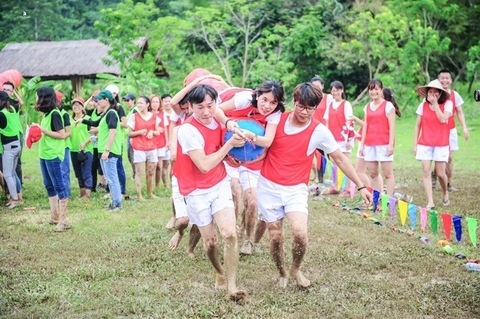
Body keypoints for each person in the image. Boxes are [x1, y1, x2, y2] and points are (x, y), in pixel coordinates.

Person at [254, 82, 371, 288]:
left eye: (310, 108)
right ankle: (282, 272)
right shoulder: (275, 119)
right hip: (268, 186)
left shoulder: (319, 131)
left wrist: (361, 186)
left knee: (300, 233)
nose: (305, 112)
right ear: (294, 101)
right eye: (301, 106)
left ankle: (295, 269)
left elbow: (340, 159)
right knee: (275, 236)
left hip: (295, 189)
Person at [176, 84, 247, 302]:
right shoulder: (187, 130)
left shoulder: (215, 115)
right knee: (211, 242)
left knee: (230, 233)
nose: (206, 112)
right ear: (189, 107)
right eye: (200, 108)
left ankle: (233, 286)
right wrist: (228, 147)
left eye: (210, 105)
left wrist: (229, 123)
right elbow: (204, 165)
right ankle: (218, 271)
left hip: (218, 184)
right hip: (195, 191)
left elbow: (221, 112)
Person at [215, 79, 286, 256]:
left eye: (273, 102)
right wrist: (228, 123)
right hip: (229, 153)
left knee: (253, 201)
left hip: (254, 160)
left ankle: (248, 239)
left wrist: (250, 135)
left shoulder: (275, 114)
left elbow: (267, 141)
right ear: (258, 95)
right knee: (233, 193)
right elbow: (217, 109)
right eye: (264, 100)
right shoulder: (245, 98)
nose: (267, 106)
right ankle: (231, 232)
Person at [32, 86, 70, 232]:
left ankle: (63, 219)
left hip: (53, 155)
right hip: (44, 154)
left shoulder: (55, 114)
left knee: (59, 185)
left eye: (37, 97)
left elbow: (61, 135)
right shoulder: (46, 115)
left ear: (43, 98)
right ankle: (54, 216)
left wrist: (42, 130)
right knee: (49, 185)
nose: (36, 99)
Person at [81, 90, 123, 211]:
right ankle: (114, 201)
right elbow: (95, 123)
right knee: (109, 179)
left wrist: (107, 150)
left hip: (109, 151)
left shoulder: (111, 113)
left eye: (99, 99)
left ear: (107, 100)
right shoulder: (105, 114)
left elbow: (113, 132)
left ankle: (117, 204)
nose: (97, 101)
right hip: (103, 151)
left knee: (112, 178)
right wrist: (82, 120)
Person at [413, 79, 452, 209]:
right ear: (427, 93)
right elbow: (417, 125)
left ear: (440, 93)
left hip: (441, 143)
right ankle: (430, 201)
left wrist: (435, 105)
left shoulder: (448, 104)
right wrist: (415, 144)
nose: (433, 94)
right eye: (430, 92)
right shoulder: (422, 106)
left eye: (436, 92)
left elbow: (442, 119)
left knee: (441, 173)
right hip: (425, 143)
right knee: (426, 171)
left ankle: (445, 192)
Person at [359, 79, 401, 196]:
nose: (373, 92)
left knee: (388, 174)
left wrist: (390, 144)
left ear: (381, 90)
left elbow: (392, 126)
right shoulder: (367, 107)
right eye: (371, 89)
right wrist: (362, 145)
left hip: (384, 143)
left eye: (376, 89)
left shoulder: (388, 106)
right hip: (369, 144)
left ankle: (389, 199)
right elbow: (365, 126)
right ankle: (376, 198)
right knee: (373, 173)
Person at [167, 119, 201, 258]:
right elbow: (173, 155)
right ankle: (180, 232)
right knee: (183, 221)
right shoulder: (178, 130)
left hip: (201, 178)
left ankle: (190, 249)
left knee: (200, 219)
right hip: (181, 175)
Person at [432, 69, 469, 192]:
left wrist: (464, 128)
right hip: (436, 131)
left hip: (450, 130)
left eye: (447, 78)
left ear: (451, 80)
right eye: (442, 78)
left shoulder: (455, 95)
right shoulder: (433, 94)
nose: (444, 80)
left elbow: (459, 112)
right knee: (438, 157)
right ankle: (434, 173)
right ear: (438, 80)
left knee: (450, 157)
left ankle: (448, 183)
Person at [127, 95, 162, 200]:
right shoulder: (134, 117)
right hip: (139, 148)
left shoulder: (154, 117)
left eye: (141, 103)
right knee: (139, 172)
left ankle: (150, 193)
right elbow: (129, 133)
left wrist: (152, 131)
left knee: (151, 172)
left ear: (147, 104)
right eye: (138, 103)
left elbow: (158, 131)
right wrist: (139, 132)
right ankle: (139, 195)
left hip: (151, 148)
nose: (139, 105)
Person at [105, 84, 129, 200]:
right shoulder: (107, 108)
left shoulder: (119, 107)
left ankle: (122, 191)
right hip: (107, 141)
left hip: (117, 142)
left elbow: (124, 124)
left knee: (118, 166)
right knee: (109, 169)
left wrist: (113, 122)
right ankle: (112, 191)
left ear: (115, 94)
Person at [0, 91, 22, 209]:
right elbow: (19, 102)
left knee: (8, 175)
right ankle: (16, 198)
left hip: (8, 148)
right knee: (12, 173)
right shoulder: (13, 110)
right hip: (17, 145)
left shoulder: (2, 114)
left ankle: (14, 199)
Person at [311, 75, 333, 184]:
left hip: (326, 130)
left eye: (318, 86)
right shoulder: (310, 98)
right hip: (314, 131)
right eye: (313, 86)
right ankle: (320, 180)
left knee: (331, 156)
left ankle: (336, 180)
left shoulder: (328, 98)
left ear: (322, 86)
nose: (315, 88)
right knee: (319, 156)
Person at [70, 97, 93, 199]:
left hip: (86, 150)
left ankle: (87, 194)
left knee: (86, 172)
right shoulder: (69, 120)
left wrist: (85, 143)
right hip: (73, 149)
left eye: (79, 104)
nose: (76, 107)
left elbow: (94, 134)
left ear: (83, 107)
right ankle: (82, 193)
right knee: (78, 173)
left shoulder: (87, 119)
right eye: (74, 105)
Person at [150, 94, 169, 189]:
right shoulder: (148, 114)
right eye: (153, 102)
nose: (155, 104)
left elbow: (165, 128)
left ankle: (157, 185)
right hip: (151, 142)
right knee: (153, 165)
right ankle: (151, 185)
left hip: (161, 142)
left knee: (159, 166)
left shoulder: (163, 113)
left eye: (157, 102)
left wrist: (167, 141)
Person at [161, 93, 174, 188]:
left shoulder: (176, 113)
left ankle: (173, 182)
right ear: (162, 102)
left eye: (169, 101)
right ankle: (165, 184)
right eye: (165, 101)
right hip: (163, 142)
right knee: (165, 164)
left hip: (175, 141)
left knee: (174, 163)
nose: (167, 103)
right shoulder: (161, 114)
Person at [123, 93, 137, 179]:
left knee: (132, 156)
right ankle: (134, 173)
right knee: (129, 156)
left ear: (133, 101)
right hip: (128, 136)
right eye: (125, 101)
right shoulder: (131, 110)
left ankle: (135, 174)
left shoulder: (135, 110)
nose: (126, 102)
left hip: (132, 137)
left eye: (128, 100)